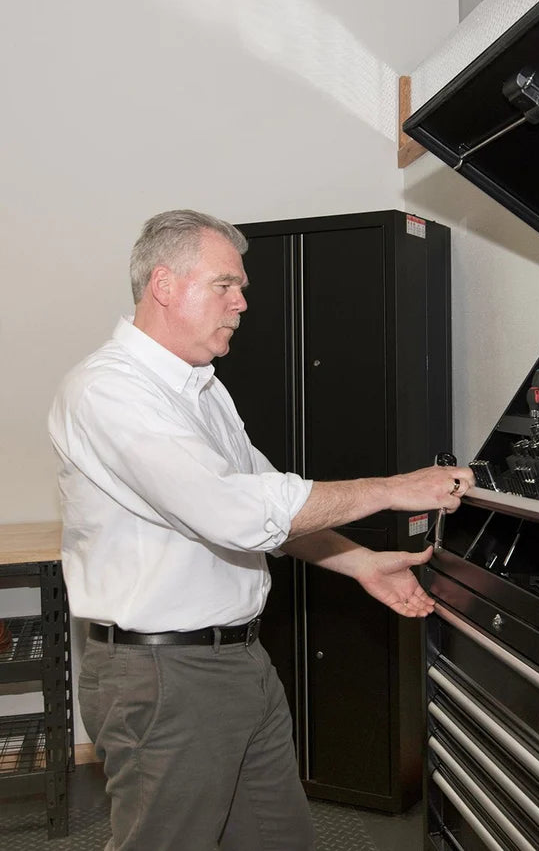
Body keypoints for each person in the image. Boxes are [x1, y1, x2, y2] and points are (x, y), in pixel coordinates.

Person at [47, 209, 473, 850]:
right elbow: (235, 511)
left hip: (239, 658)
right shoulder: (107, 391)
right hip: (165, 674)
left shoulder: (204, 389)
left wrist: (359, 563)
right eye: (226, 285)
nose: (242, 303)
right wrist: (393, 489)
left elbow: (268, 510)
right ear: (165, 284)